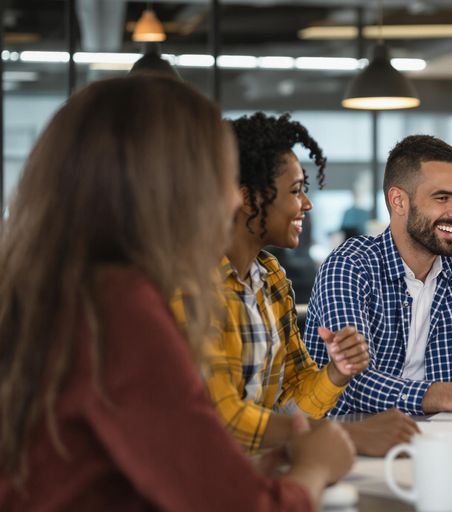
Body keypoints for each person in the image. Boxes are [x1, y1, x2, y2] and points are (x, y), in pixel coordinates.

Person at [0, 76, 354, 510]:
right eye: (221, 180)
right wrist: (315, 468)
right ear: (170, 189)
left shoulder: (54, 293)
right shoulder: (117, 308)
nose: (229, 202)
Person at [172, 112, 418, 457]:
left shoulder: (270, 278)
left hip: (261, 474)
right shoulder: (191, 284)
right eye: (296, 190)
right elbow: (223, 421)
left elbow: (291, 402)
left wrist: (336, 371)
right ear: (247, 198)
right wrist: (349, 434)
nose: (307, 203)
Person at [303, 135, 452, 416]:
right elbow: (353, 383)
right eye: (442, 198)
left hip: (436, 434)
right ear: (398, 201)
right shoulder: (349, 266)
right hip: (348, 437)